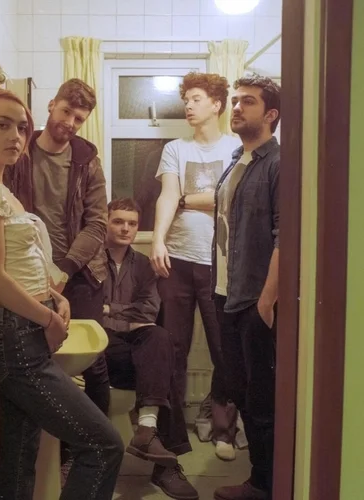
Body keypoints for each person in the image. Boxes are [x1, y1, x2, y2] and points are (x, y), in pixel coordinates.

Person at [0, 83, 124, 500]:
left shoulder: (0, 190)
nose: (16, 136)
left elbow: (23, 263)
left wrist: (57, 296)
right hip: (18, 339)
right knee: (103, 446)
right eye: (2, 125)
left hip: (23, 333)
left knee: (19, 457)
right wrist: (48, 316)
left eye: (20, 127)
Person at [4, 78, 111, 417]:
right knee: (39, 359)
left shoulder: (87, 161)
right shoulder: (20, 153)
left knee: (93, 364)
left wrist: (64, 269)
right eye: (66, 112)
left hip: (81, 275)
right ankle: (56, 443)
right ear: (52, 105)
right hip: (30, 272)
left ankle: (94, 442)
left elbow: (98, 224)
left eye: (79, 118)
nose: (70, 123)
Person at [151, 72, 240, 461]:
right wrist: (157, 239)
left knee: (224, 350)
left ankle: (224, 430)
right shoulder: (175, 148)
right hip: (178, 260)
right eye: (186, 99)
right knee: (172, 349)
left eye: (196, 99)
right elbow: (168, 196)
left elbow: (229, 199)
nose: (188, 105)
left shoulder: (236, 148)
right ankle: (172, 434)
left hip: (220, 264)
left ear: (217, 104)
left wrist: (189, 198)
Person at [212, 75, 281, 500]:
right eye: (235, 100)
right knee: (239, 390)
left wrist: (266, 302)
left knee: (260, 400)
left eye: (248, 102)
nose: (236, 107)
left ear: (270, 114)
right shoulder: (239, 159)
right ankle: (261, 478)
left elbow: (284, 236)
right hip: (227, 294)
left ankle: (265, 485)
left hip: (255, 299)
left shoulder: (276, 164)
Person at [103, 198, 199, 500]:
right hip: (101, 349)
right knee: (161, 367)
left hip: (133, 347)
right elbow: (89, 310)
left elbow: (147, 311)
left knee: (159, 338)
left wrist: (109, 309)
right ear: (105, 222)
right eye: (118, 221)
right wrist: (121, 314)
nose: (126, 228)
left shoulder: (144, 265)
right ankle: (165, 462)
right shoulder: (91, 261)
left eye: (132, 223)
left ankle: (148, 434)